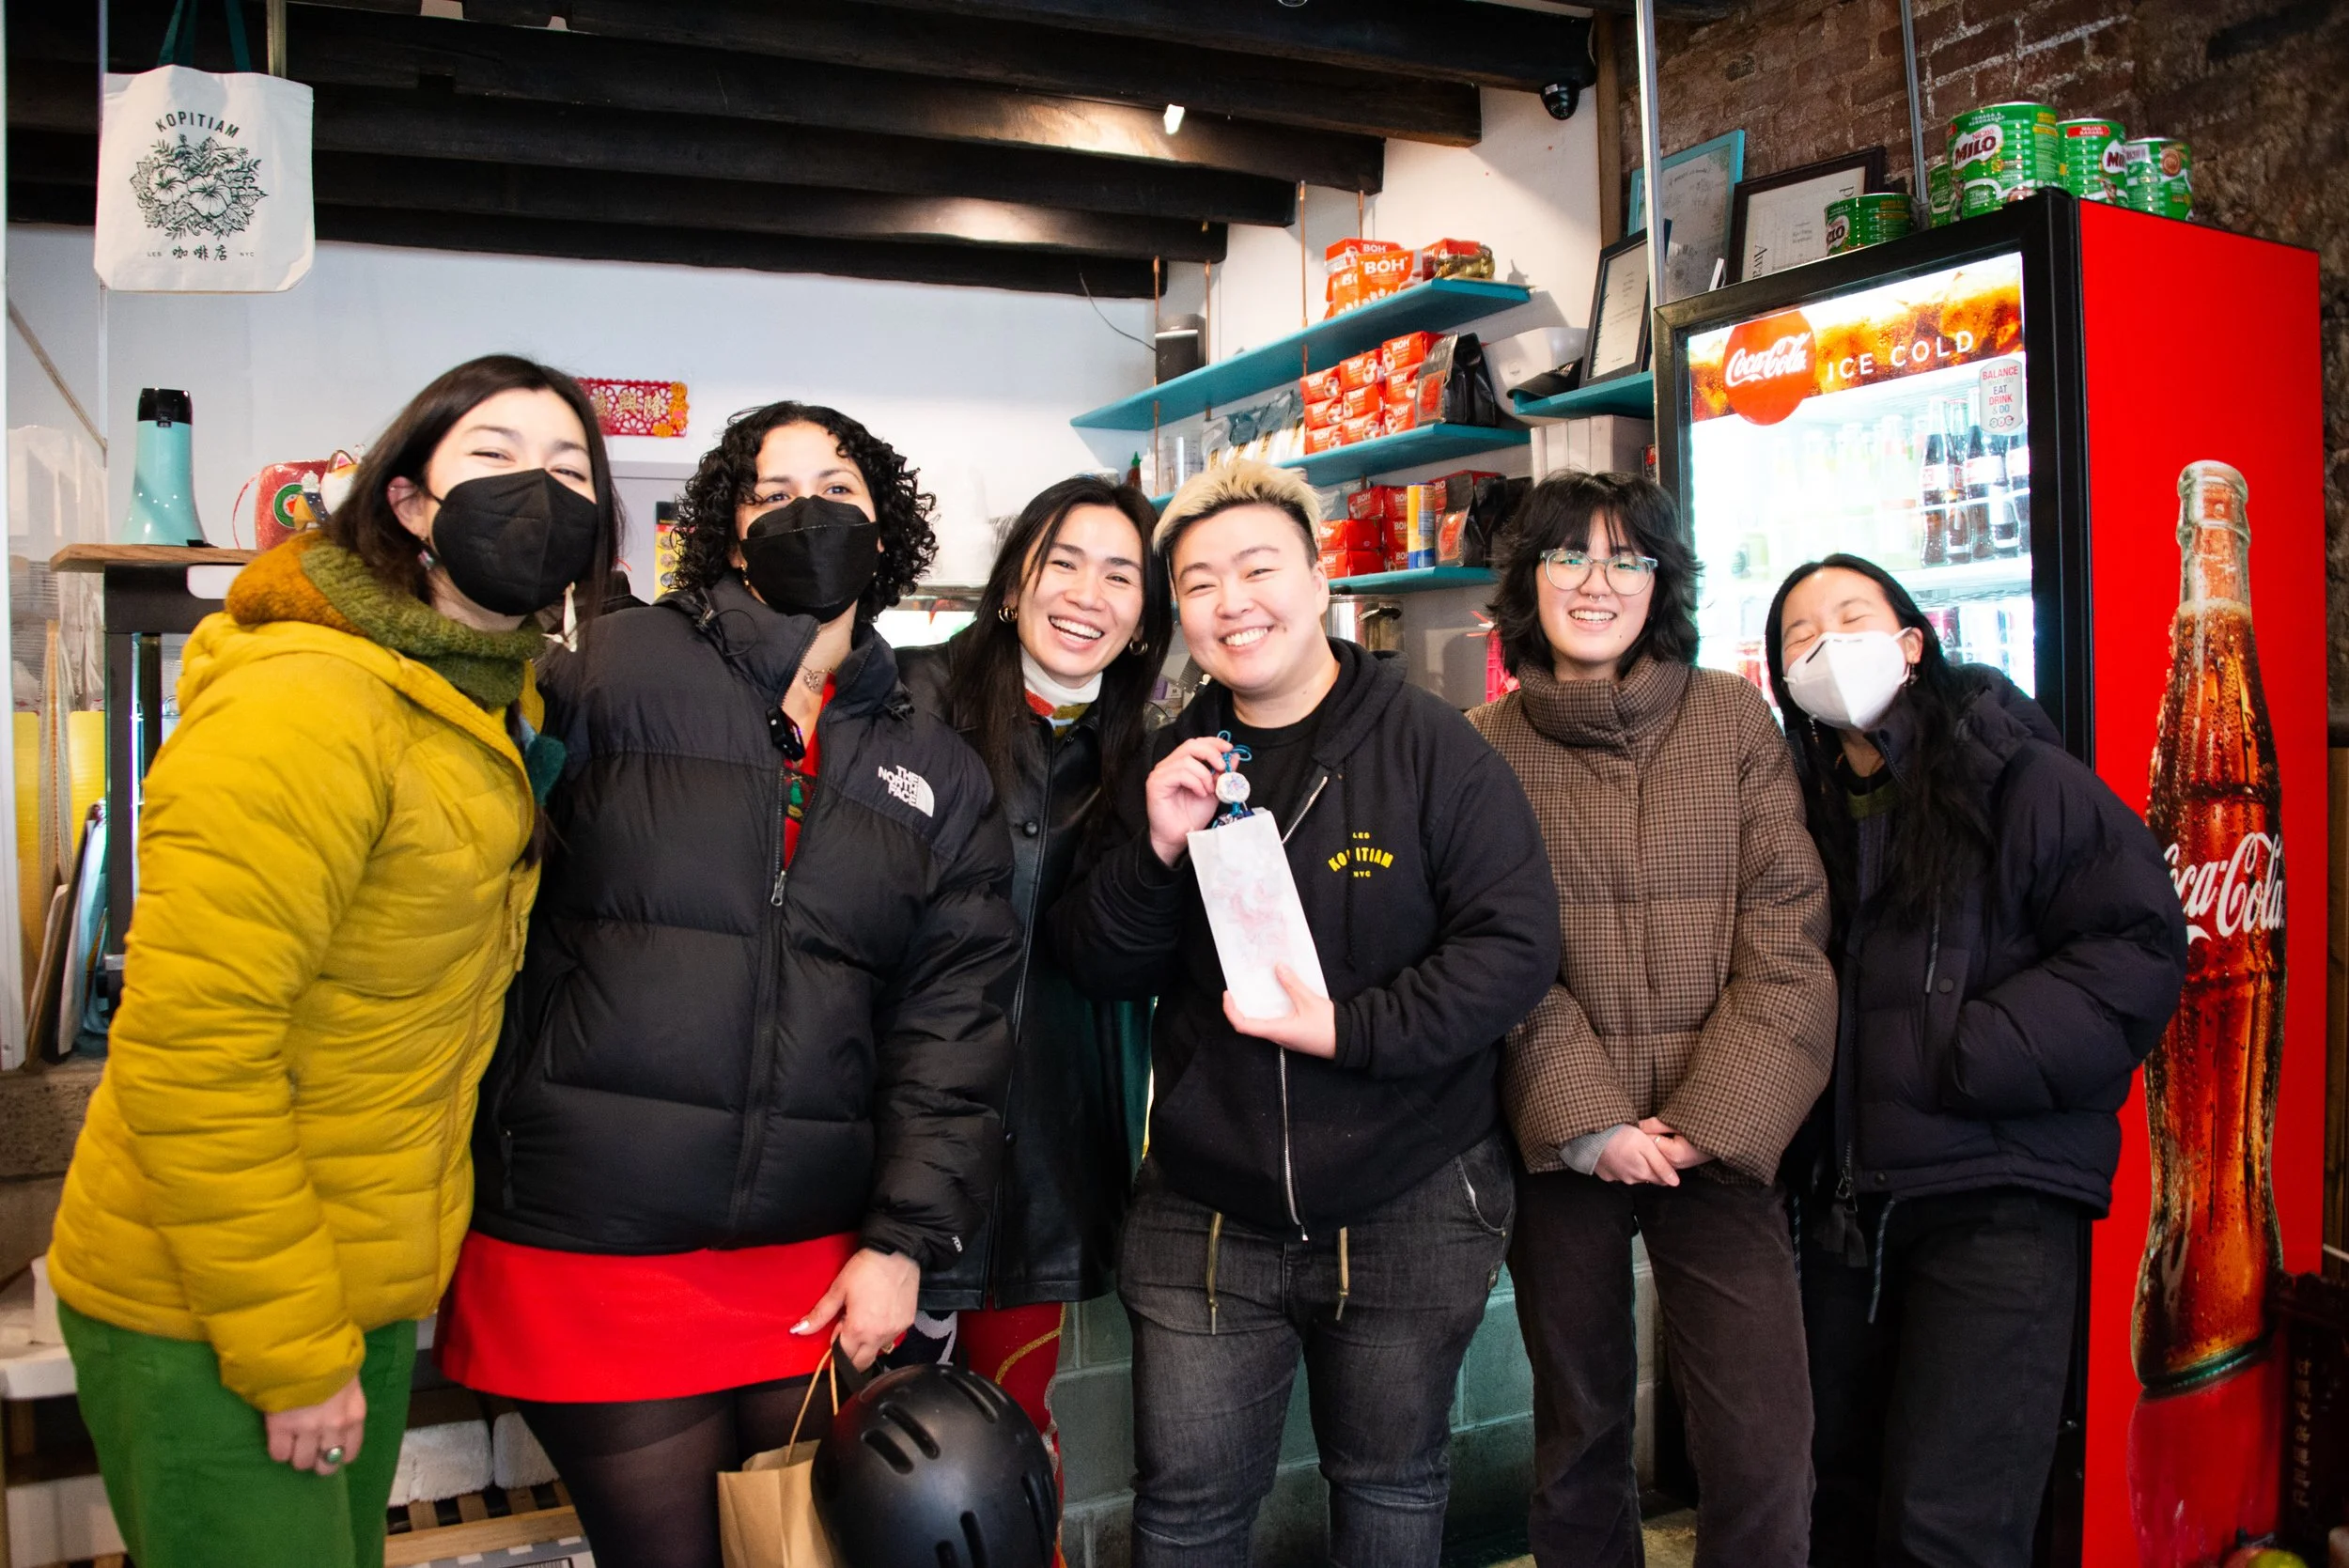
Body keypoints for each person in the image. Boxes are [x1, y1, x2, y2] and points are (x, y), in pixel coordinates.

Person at [45, 354, 620, 1568]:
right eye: (497, 457)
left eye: (570, 468)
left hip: (330, 1284)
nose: (539, 491)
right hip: (214, 1304)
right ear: (411, 501)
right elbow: (195, 1050)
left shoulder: (476, 704)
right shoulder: (311, 700)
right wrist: (293, 1348)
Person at [437, 400, 1020, 1568]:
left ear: (885, 524)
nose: (808, 509)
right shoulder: (607, 668)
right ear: (729, 530)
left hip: (820, 1256)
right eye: (771, 490)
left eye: (838, 486)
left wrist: (905, 1238)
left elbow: (949, 1027)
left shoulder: (933, 763)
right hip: (594, 1237)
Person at [1051, 460, 1559, 1567]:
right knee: (1183, 1514)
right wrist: (1153, 845)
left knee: (1388, 1492)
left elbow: (1514, 950)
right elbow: (1096, 962)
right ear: (1175, 614)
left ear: (1321, 576)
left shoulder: (1434, 748)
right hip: (1204, 1207)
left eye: (1257, 568)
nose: (1232, 602)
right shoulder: (1167, 754)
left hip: (1410, 1192)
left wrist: (1350, 1030)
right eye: (1197, 584)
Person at [1763, 554, 2186, 1568]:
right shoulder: (1793, 807)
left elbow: (2136, 944)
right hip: (1844, 1211)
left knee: (1950, 1522)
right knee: (1832, 1502)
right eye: (1799, 636)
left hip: (1995, 1199)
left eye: (1851, 616)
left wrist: (1967, 1054)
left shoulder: (2016, 774)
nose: (1827, 644)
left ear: (1911, 642)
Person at [1469, 473, 1834, 1568]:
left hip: (1717, 1141)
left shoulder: (1730, 718)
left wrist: (1703, 1119)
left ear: (1660, 582)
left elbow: (1787, 926)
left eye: (1627, 558)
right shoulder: (1481, 744)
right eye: (1569, 556)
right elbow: (1495, 960)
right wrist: (1590, 1122)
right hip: (1561, 1145)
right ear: (1526, 581)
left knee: (1764, 1442)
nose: (1597, 581)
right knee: (1579, 1435)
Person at [893, 476, 1171, 1511]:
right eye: (1063, 562)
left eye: (1120, 574)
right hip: (891, 1153)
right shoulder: (906, 702)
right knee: (879, 1452)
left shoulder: (1149, 756)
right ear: (1014, 581)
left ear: (1146, 616)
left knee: (1010, 1445)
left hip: (1050, 1163)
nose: (1086, 593)